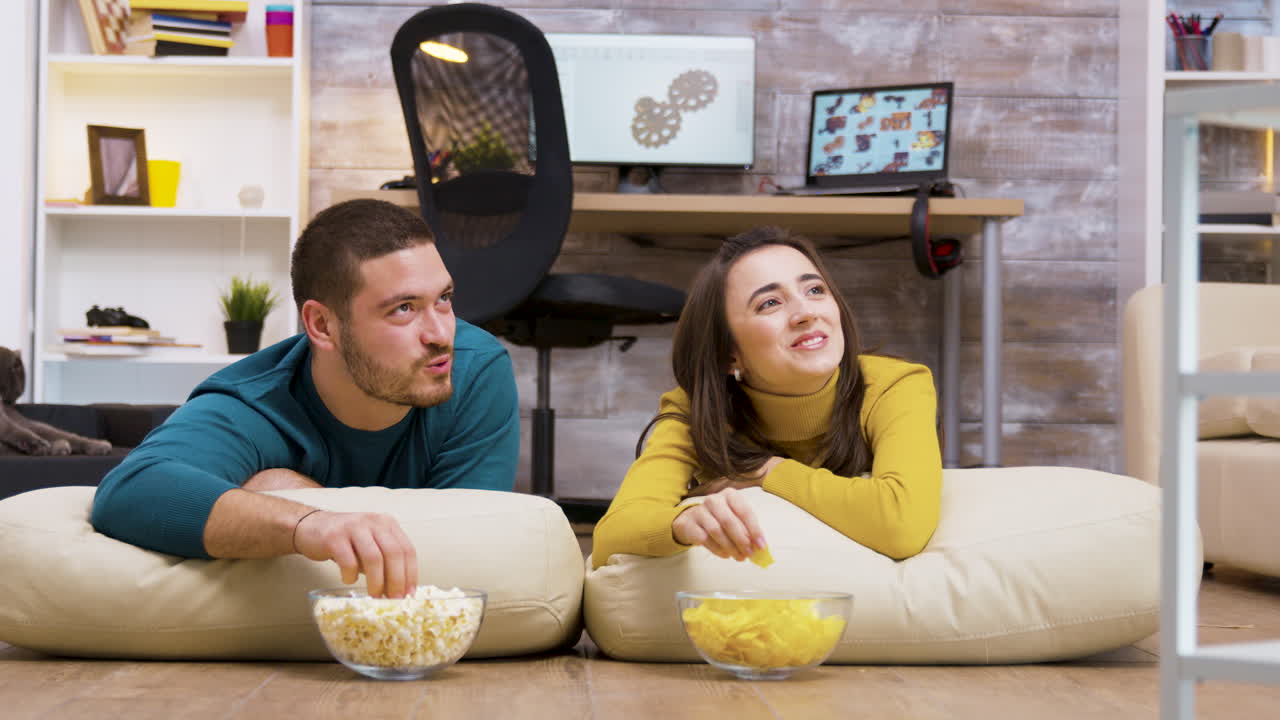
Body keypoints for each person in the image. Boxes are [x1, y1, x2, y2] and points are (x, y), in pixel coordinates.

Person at [91, 199, 520, 598]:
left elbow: (471, 549)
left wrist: (287, 497)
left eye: (443, 299)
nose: (441, 334)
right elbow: (130, 492)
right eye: (403, 309)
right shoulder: (252, 403)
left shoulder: (474, 369)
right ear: (322, 325)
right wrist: (308, 524)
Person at [591, 226, 942, 570]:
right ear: (728, 353)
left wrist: (764, 471)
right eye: (770, 303)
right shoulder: (697, 408)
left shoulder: (895, 385)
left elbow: (903, 525)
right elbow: (612, 535)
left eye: (815, 290)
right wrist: (683, 523)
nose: (807, 313)